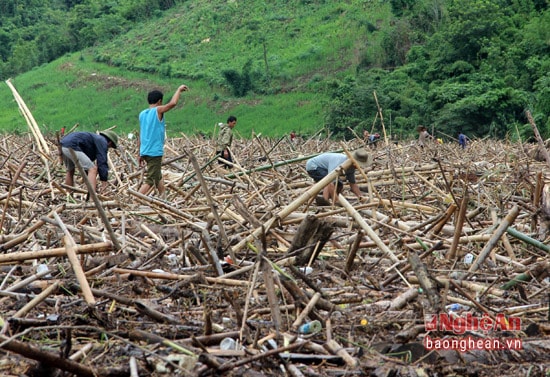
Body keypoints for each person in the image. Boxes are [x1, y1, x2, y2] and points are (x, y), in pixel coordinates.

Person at [138, 85, 189, 197]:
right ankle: (134, 199)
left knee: (157, 175)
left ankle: (163, 196)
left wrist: (139, 153)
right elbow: (173, 104)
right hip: (154, 152)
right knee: (151, 179)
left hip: (145, 151)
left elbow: (141, 134)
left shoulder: (142, 114)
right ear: (160, 101)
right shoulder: (158, 110)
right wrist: (178, 90)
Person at [305, 149, 372, 204]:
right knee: (327, 183)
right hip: (313, 166)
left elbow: (353, 184)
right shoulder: (339, 162)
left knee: (339, 185)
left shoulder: (351, 168)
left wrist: (361, 197)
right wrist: (336, 200)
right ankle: (325, 201)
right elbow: (329, 180)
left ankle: (325, 198)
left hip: (325, 169)